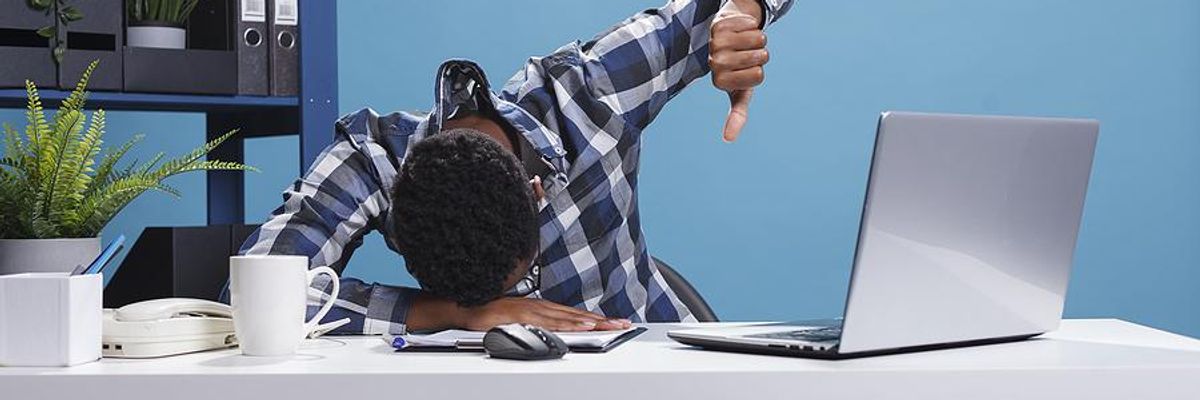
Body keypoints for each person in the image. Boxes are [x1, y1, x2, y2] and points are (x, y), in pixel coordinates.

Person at [238, 0, 793, 335]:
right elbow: (251, 292)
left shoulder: (588, 94)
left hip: (657, 362)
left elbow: (715, 11)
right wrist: (451, 313)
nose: (511, 302)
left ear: (536, 190)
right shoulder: (373, 159)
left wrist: (739, 12)